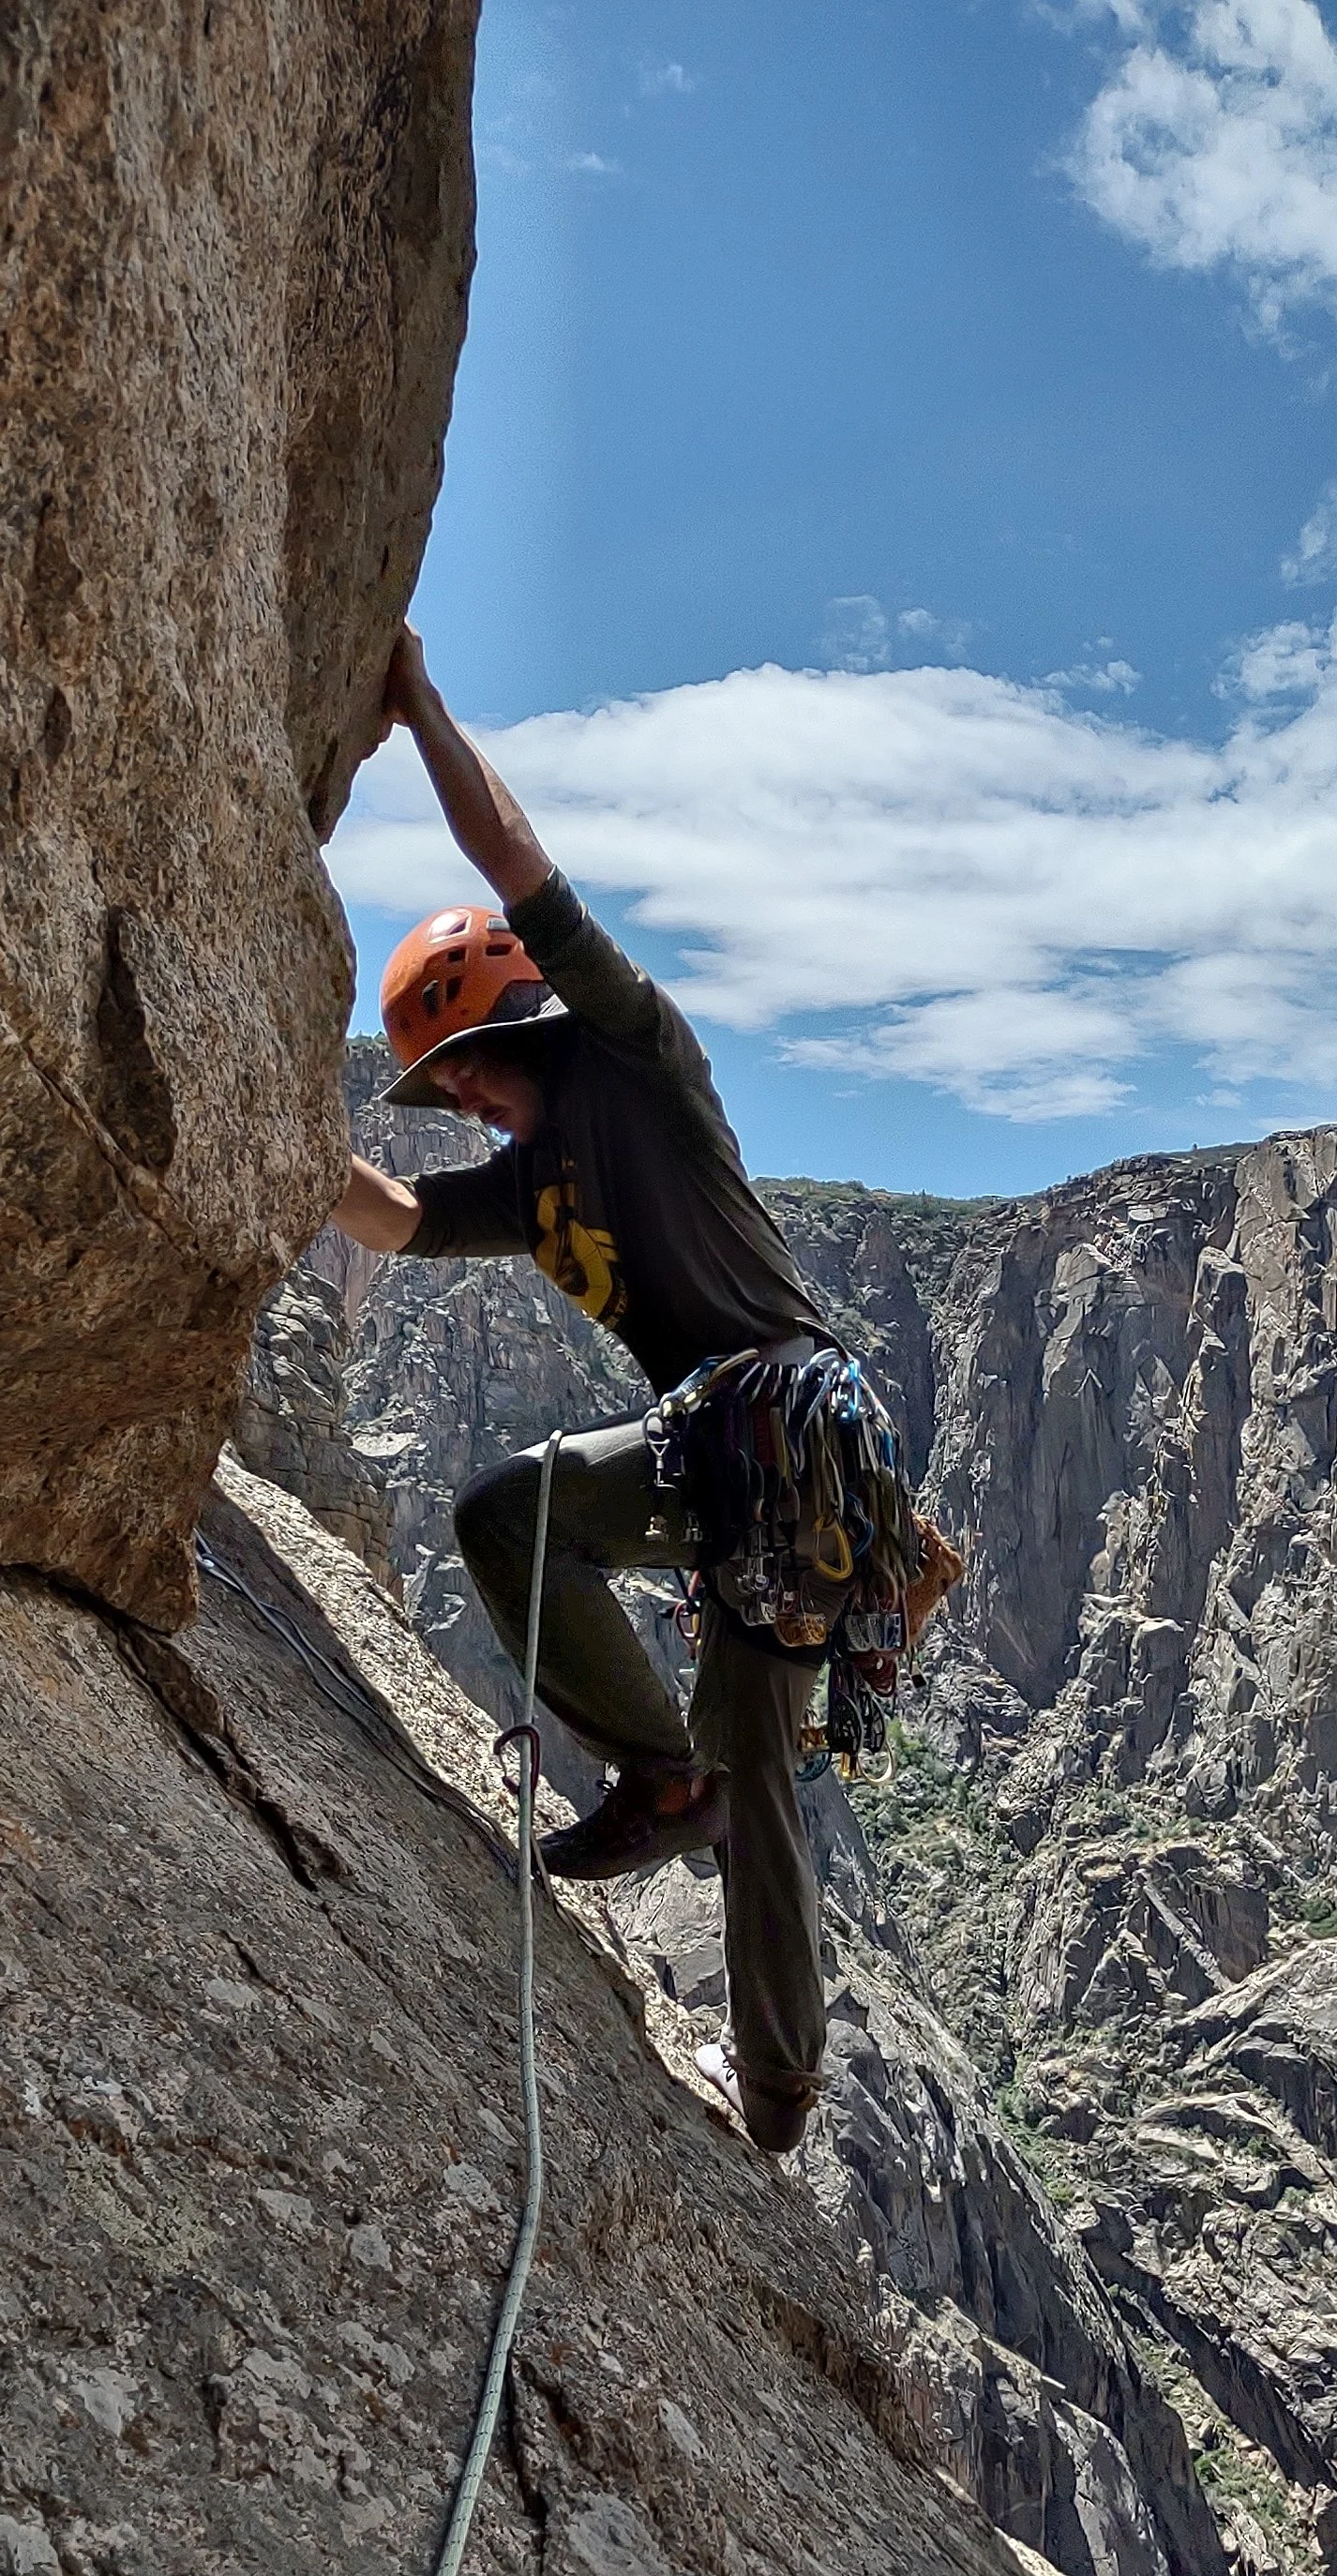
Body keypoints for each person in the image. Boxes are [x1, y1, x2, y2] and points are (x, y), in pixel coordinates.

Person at [335, 631, 829, 2156]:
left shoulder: (635, 1062)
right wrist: (270, 1131)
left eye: (469, 1066)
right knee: (511, 1520)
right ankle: (664, 1779)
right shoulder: (532, 1175)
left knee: (759, 1765)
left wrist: (423, 711)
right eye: (442, 1088)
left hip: (789, 1436)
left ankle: (774, 2088)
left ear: (520, 1024)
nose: (461, 1099)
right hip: (726, 1453)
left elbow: (519, 864)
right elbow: (398, 1223)